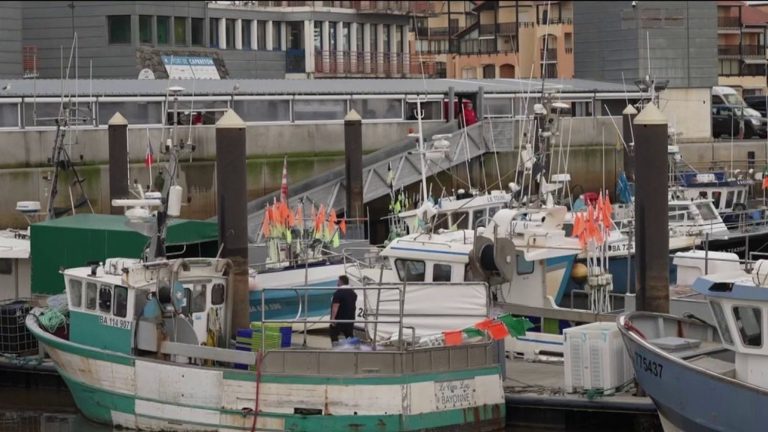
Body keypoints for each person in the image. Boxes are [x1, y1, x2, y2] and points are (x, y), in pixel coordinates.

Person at [329, 275, 357, 343]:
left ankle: (336, 346)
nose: (337, 283)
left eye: (338, 281)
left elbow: (335, 307)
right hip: (350, 319)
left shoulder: (338, 293)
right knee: (349, 335)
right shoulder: (353, 293)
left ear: (341, 282)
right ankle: (354, 348)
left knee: (333, 332)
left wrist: (332, 318)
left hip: (340, 319)